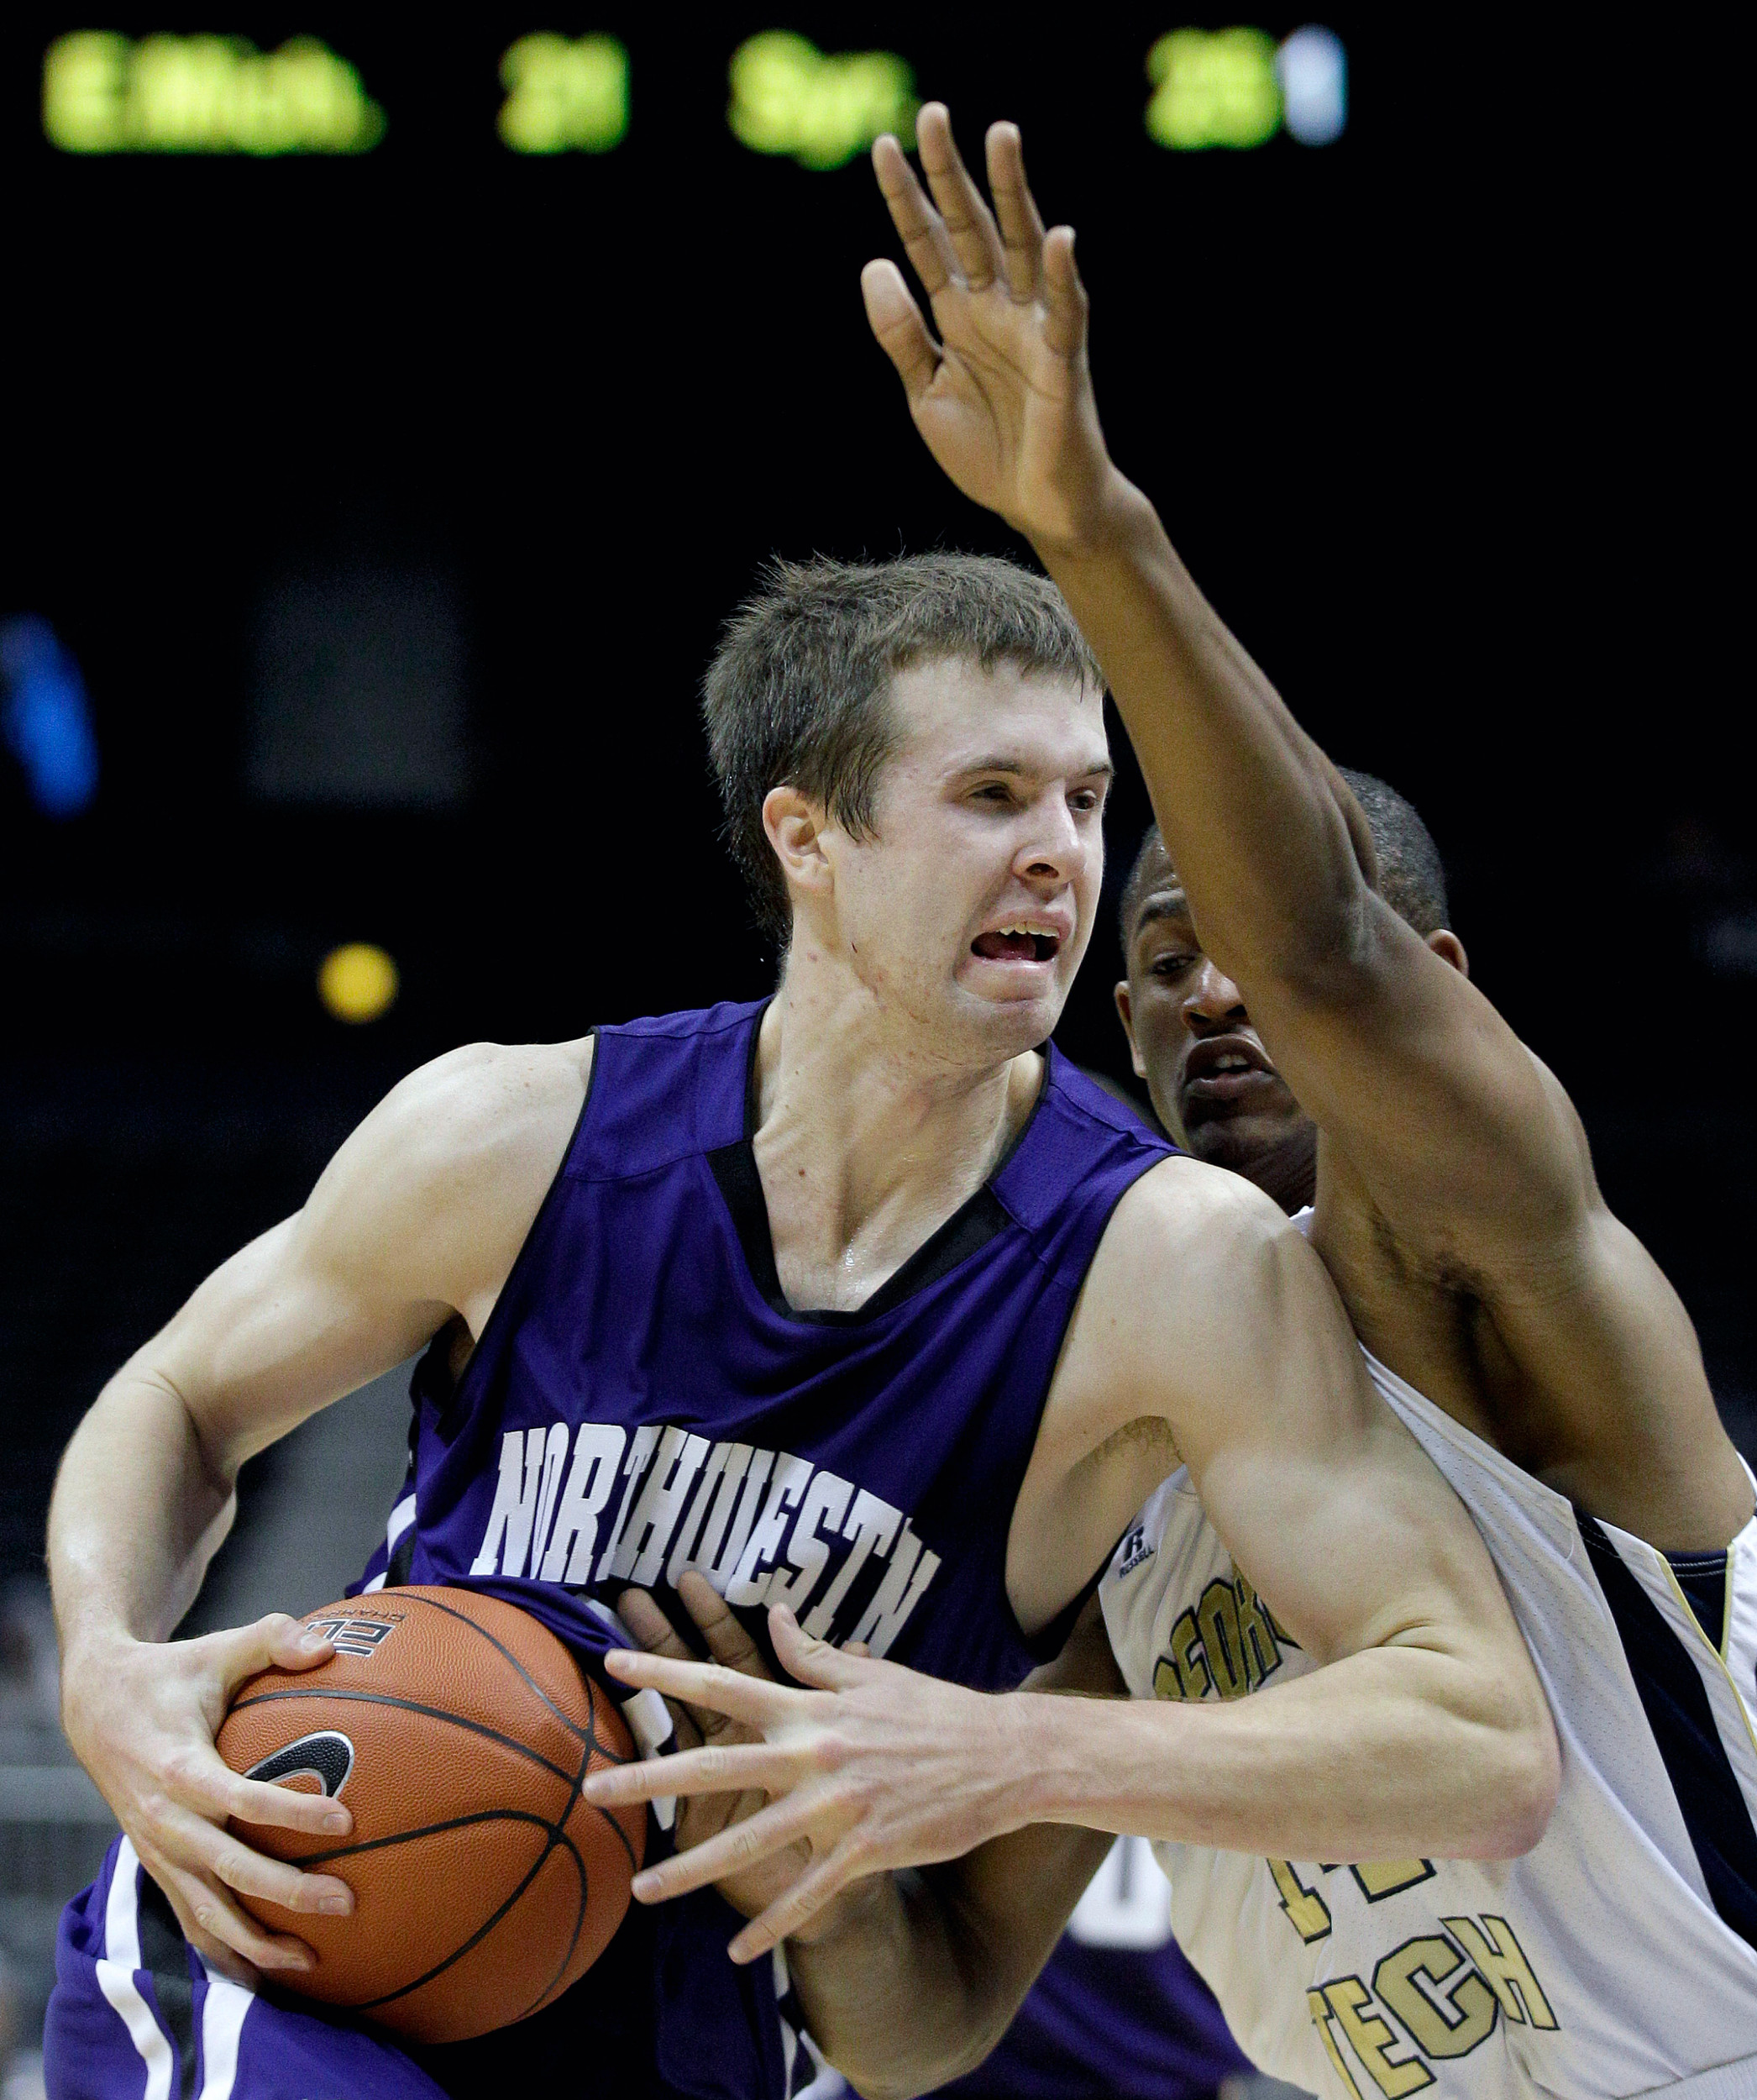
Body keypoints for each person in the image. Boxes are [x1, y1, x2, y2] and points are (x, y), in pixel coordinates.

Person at [582, 106, 1757, 2098]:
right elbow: (927, 2018)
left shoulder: (1495, 1261)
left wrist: (1085, 524)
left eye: (1237, 940)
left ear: (1441, 995)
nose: (1205, 984)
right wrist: (817, 1814)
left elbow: (1322, 959)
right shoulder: (1145, 1385)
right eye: (1151, 955)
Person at [41, 552, 1551, 2091]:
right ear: (809, 839)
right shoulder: (517, 1134)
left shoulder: (1174, 1268)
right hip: (315, 1927)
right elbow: (179, 1396)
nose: (1060, 858)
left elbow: (1481, 1740)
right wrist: (105, 1665)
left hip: (703, 2026)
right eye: (992, 796)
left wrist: (984, 1762)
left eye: (1086, 803)